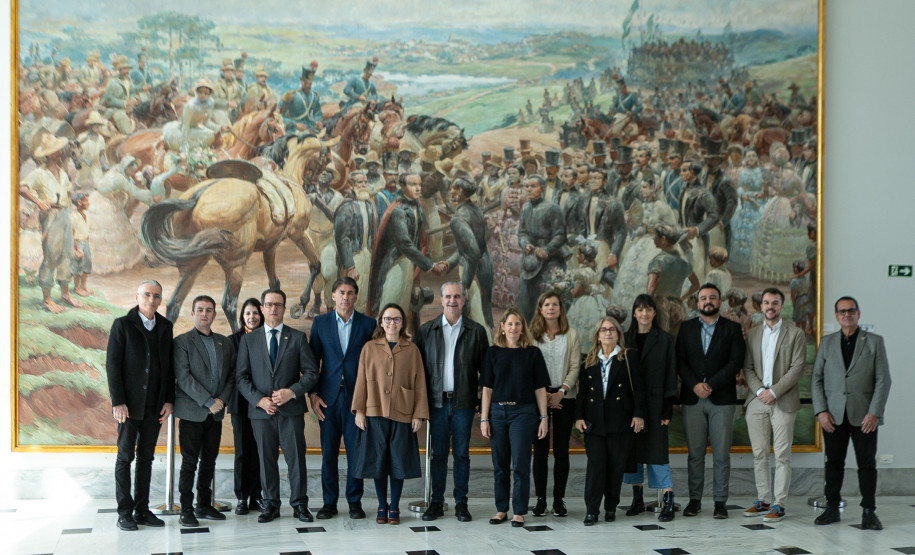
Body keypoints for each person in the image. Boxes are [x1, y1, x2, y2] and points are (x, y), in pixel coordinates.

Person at [235, 288, 320, 523]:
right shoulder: (248, 340)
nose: (274, 309)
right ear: (262, 309)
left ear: (284, 309)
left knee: (296, 460)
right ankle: (270, 504)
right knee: (265, 460)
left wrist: (291, 392)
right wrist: (259, 400)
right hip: (261, 414)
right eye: (269, 305)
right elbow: (241, 378)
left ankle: (300, 505)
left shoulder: (297, 337)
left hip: (291, 412)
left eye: (278, 305)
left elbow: (312, 373)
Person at [812, 296, 892, 530]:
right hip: (833, 417)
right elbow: (816, 379)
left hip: (865, 416)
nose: (846, 315)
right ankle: (831, 509)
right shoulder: (826, 343)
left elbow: (883, 380)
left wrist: (875, 413)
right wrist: (821, 411)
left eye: (851, 311)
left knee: (867, 464)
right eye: (841, 311)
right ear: (836, 316)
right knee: (833, 463)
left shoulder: (874, 341)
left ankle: (869, 512)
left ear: (858, 314)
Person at [415, 282, 489, 522]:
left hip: (463, 404)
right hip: (435, 403)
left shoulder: (476, 332)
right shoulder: (427, 330)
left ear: (464, 300)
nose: (452, 300)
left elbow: (485, 372)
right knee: (437, 455)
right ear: (441, 299)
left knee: (461, 455)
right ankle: (436, 503)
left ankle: (461, 504)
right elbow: (416, 371)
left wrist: (479, 400)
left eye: (457, 296)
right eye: (448, 296)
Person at [105, 280, 174, 531]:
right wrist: (118, 402)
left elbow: (169, 367)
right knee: (125, 457)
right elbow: (112, 366)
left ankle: (142, 510)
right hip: (128, 406)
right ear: (137, 297)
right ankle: (124, 512)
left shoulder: (166, 327)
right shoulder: (122, 325)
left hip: (154, 406)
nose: (152, 300)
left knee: (146, 458)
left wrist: (168, 400)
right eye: (147, 295)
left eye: (156, 296)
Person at [351, 303, 429, 526]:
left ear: (403, 323)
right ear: (381, 322)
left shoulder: (411, 349)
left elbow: (420, 382)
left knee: (398, 462)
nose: (392, 323)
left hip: (402, 413)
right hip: (374, 412)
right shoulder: (369, 347)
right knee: (378, 462)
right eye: (387, 319)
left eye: (396, 319)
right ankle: (381, 505)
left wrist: (419, 414)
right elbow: (361, 381)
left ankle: (394, 506)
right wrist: (359, 410)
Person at [308, 278, 376, 520]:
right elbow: (312, 362)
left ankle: (355, 503)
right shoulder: (320, 323)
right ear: (333, 296)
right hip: (327, 399)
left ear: (356, 297)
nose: (345, 297)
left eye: (350, 293)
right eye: (341, 292)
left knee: (355, 453)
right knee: (329, 453)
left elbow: (372, 366)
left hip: (356, 400)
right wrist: (313, 395)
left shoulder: (368, 324)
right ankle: (329, 503)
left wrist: (366, 403)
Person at [676, 283, 745, 519]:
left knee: (721, 454)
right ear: (697, 303)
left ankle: (719, 502)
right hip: (692, 399)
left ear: (720, 302)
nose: (708, 302)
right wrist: (695, 384)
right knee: (695, 454)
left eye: (712, 298)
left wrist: (711, 384)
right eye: (703, 298)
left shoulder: (732, 329)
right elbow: (680, 361)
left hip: (722, 400)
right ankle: (694, 501)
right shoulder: (685, 329)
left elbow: (735, 362)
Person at [479, 309, 550, 527]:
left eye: (518, 324)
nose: (513, 328)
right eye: (509, 324)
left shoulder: (533, 354)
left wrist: (544, 417)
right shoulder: (492, 353)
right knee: (500, 465)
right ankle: (501, 509)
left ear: (523, 328)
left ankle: (519, 511)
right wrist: (484, 418)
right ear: (502, 326)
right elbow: (487, 389)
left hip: (524, 414)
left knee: (520, 463)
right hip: (498, 414)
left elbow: (540, 388)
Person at [741, 287, 806, 523]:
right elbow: (747, 367)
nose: (770, 306)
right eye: (766, 302)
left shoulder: (795, 333)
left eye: (775, 303)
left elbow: (797, 368)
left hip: (783, 400)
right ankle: (763, 500)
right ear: (761, 306)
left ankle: (779, 504)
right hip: (757, 400)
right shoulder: (753, 334)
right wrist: (760, 391)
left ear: (782, 305)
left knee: (782, 455)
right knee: (759, 453)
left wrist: (774, 392)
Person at [574, 317, 646, 526]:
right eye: (603, 330)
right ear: (597, 334)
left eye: (612, 330)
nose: (607, 333)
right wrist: (578, 417)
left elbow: (639, 389)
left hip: (620, 422)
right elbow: (582, 394)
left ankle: (611, 507)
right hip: (594, 423)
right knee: (596, 466)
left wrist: (639, 414)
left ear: (618, 334)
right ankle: (592, 510)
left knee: (616, 467)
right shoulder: (589, 360)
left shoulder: (628, 357)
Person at [173, 295, 236, 527]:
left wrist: (221, 400)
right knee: (189, 462)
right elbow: (184, 377)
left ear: (214, 315)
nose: (204, 314)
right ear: (192, 313)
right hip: (192, 412)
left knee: (209, 461)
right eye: (200, 310)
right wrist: (208, 401)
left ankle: (203, 505)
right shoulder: (181, 342)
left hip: (216, 413)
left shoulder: (224, 342)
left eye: (209, 310)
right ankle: (186, 509)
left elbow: (231, 376)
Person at [622, 295, 678, 522]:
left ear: (655, 313)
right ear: (634, 313)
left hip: (656, 405)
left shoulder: (664, 339)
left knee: (657, 454)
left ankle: (668, 500)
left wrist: (667, 407)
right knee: (632, 453)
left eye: (648, 310)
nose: (644, 314)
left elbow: (671, 373)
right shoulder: (625, 339)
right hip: (630, 406)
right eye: (640, 309)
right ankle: (637, 499)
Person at [529, 291, 581, 518]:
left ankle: (558, 500)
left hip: (564, 398)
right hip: (538, 398)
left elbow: (575, 366)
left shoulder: (571, 335)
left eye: (555, 304)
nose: (551, 308)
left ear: (561, 308)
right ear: (540, 309)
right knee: (540, 451)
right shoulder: (531, 336)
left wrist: (561, 392)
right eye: (547, 304)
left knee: (561, 451)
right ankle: (540, 500)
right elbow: (528, 369)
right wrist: (545, 396)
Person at [228, 299, 265, 515]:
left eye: (255, 313)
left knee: (260, 451)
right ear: (242, 316)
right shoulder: (232, 340)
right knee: (242, 451)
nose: (251, 317)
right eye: (247, 313)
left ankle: (257, 496)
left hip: (262, 403)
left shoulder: (267, 338)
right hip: (240, 404)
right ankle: (242, 497)